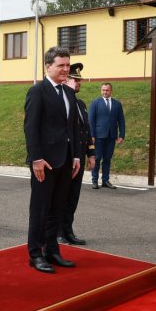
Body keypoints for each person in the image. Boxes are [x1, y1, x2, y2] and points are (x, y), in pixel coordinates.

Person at [24, 46, 81, 274]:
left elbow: (73, 127)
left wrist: (76, 155)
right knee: (40, 209)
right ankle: (35, 254)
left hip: (66, 160)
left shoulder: (69, 92)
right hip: (44, 162)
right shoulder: (38, 91)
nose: (66, 69)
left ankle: (52, 250)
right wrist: (36, 158)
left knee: (58, 208)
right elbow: (30, 127)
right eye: (61, 65)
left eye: (67, 65)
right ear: (48, 66)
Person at [58, 63, 95, 245]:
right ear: (65, 80)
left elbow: (85, 130)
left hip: (78, 158)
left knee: (73, 197)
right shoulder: (62, 102)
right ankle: (57, 232)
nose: (78, 83)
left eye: (79, 80)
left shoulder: (80, 104)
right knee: (60, 196)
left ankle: (68, 231)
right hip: (66, 158)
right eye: (75, 79)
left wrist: (91, 153)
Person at [88, 82, 125, 189]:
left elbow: (121, 121)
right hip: (98, 137)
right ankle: (94, 180)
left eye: (107, 90)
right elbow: (91, 121)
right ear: (101, 91)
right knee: (97, 158)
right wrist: (92, 136)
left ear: (111, 91)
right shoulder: (95, 103)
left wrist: (121, 135)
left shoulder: (117, 104)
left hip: (111, 136)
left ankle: (105, 180)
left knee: (107, 159)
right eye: (103, 90)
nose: (105, 92)